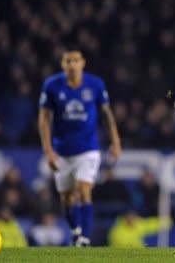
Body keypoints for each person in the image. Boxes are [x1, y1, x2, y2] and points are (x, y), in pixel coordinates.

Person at [38, 46, 122, 247]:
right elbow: (43, 120)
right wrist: (48, 150)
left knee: (84, 190)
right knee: (67, 199)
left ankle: (84, 238)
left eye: (76, 61)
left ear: (83, 63)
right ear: (62, 64)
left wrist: (116, 141)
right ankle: (76, 231)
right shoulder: (52, 86)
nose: (72, 65)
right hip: (62, 151)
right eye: (68, 61)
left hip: (88, 149)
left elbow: (107, 114)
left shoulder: (95, 84)